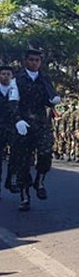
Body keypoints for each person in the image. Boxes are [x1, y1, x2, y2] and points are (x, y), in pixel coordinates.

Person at [11, 49, 62, 211]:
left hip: (41, 123)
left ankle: (39, 180)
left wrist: (53, 101)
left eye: (37, 60)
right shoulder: (17, 79)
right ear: (25, 61)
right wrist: (18, 121)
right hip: (23, 125)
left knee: (46, 153)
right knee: (24, 161)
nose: (34, 63)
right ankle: (25, 196)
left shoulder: (44, 79)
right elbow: (13, 103)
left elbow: (50, 99)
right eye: (31, 60)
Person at [0, 66, 18, 197]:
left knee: (17, 155)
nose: (5, 76)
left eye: (8, 74)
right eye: (3, 74)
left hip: (13, 127)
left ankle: (10, 180)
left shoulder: (16, 89)